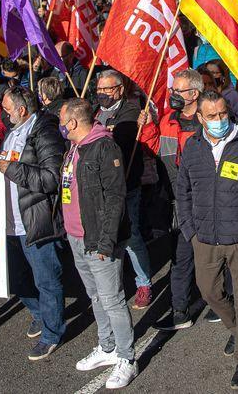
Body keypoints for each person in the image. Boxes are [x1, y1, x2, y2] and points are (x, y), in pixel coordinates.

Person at [176, 90, 238, 388]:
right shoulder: (192, 146)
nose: (219, 121)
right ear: (199, 118)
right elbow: (184, 191)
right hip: (204, 238)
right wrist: (190, 231)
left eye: (223, 115)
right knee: (210, 293)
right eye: (212, 116)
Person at [59, 98, 137, 390]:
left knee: (113, 300)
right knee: (95, 296)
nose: (60, 125)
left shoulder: (104, 147)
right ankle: (107, 347)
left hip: (98, 240)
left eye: (62, 119)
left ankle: (127, 357)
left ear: (73, 123)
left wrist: (106, 242)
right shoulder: (75, 146)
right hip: (76, 236)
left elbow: (116, 197)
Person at [0, 86, 67, 360]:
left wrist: (13, 169)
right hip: (9, 222)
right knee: (14, 278)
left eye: (6, 109)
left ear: (22, 110)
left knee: (46, 280)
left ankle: (52, 333)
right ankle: (41, 313)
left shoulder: (44, 133)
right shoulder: (13, 132)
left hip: (35, 219)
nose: (3, 114)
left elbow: (51, 179)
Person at [93, 70, 156, 310]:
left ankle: (144, 283)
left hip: (126, 183)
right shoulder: (96, 112)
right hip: (100, 187)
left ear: (119, 89)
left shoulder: (130, 109)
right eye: (99, 90)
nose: (102, 94)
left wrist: (101, 133)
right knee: (106, 236)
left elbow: (120, 139)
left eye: (107, 89)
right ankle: (112, 284)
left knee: (131, 237)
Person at [156, 69, 205, 332]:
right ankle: (180, 311)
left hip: (206, 202)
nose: (172, 94)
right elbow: (159, 153)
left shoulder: (209, 120)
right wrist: (146, 130)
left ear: (194, 94)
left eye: (178, 91)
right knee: (180, 257)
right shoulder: (167, 121)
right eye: (173, 90)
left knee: (216, 255)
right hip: (178, 202)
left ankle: (226, 300)